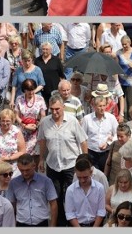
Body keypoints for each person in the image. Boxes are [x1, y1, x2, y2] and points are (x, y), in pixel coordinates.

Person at [38, 94, 88, 226]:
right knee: (55, 197)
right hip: (53, 165)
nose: (54, 112)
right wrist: (41, 160)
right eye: (52, 109)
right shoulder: (44, 122)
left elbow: (83, 141)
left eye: (57, 109)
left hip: (71, 165)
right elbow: (42, 141)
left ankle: (74, 222)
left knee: (72, 195)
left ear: (63, 107)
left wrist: (86, 161)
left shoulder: (72, 121)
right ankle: (60, 223)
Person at [7, 153, 58, 227]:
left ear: (34, 166)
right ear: (18, 167)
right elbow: (12, 206)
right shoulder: (13, 183)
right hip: (21, 224)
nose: (25, 173)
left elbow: (53, 204)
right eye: (22, 170)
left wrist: (53, 226)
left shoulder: (46, 181)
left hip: (41, 224)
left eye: (27, 170)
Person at [64, 157, 107, 227]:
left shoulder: (99, 188)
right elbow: (70, 213)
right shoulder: (70, 190)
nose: (82, 180)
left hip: (95, 224)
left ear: (91, 172)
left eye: (85, 177)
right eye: (79, 177)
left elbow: (101, 211)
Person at [82, 95, 119, 172]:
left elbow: (117, 134)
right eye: (99, 106)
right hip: (91, 152)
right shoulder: (87, 119)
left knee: (104, 175)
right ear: (94, 106)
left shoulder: (111, 118)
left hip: (106, 153)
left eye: (104, 105)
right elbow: (83, 137)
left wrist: (108, 143)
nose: (102, 108)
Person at [0, 108, 25, 173]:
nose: (5, 123)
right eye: (3, 121)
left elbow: (22, 152)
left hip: (12, 168)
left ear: (12, 120)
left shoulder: (17, 132)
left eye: (8, 121)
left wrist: (9, 158)